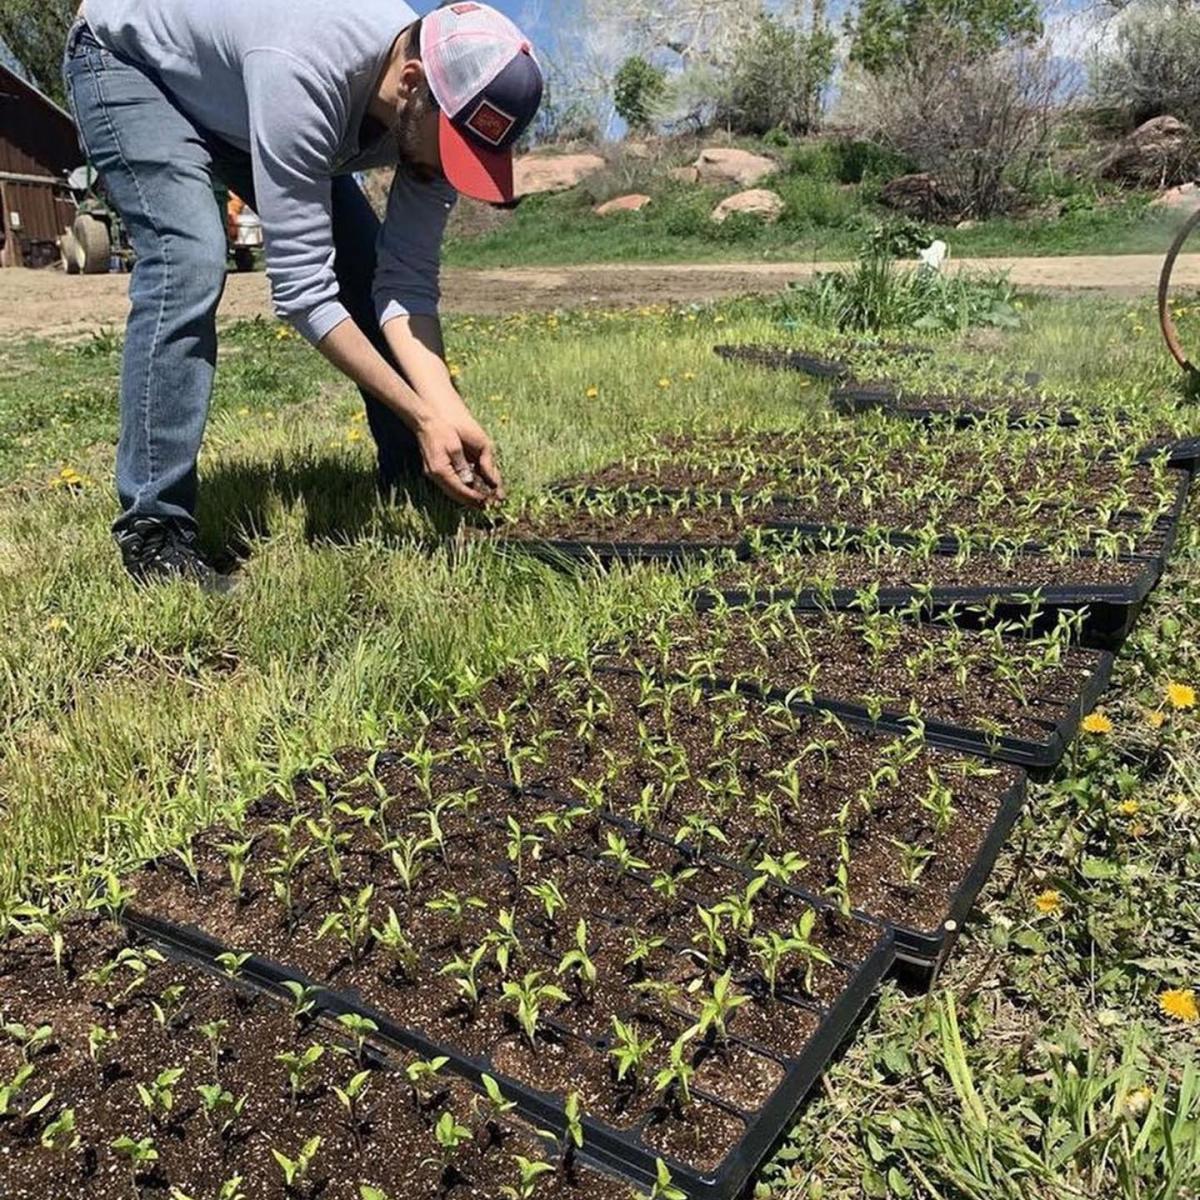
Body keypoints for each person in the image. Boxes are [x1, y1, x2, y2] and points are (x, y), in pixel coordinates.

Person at [63, 1, 543, 591]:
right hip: (130, 63)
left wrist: (448, 411)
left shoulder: (437, 111)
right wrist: (420, 413)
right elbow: (303, 290)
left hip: (238, 90)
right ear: (412, 83)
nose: (451, 166)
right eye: (453, 146)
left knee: (362, 264)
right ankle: (155, 532)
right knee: (188, 254)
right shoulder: (305, 65)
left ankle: (420, 476)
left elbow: (405, 284)